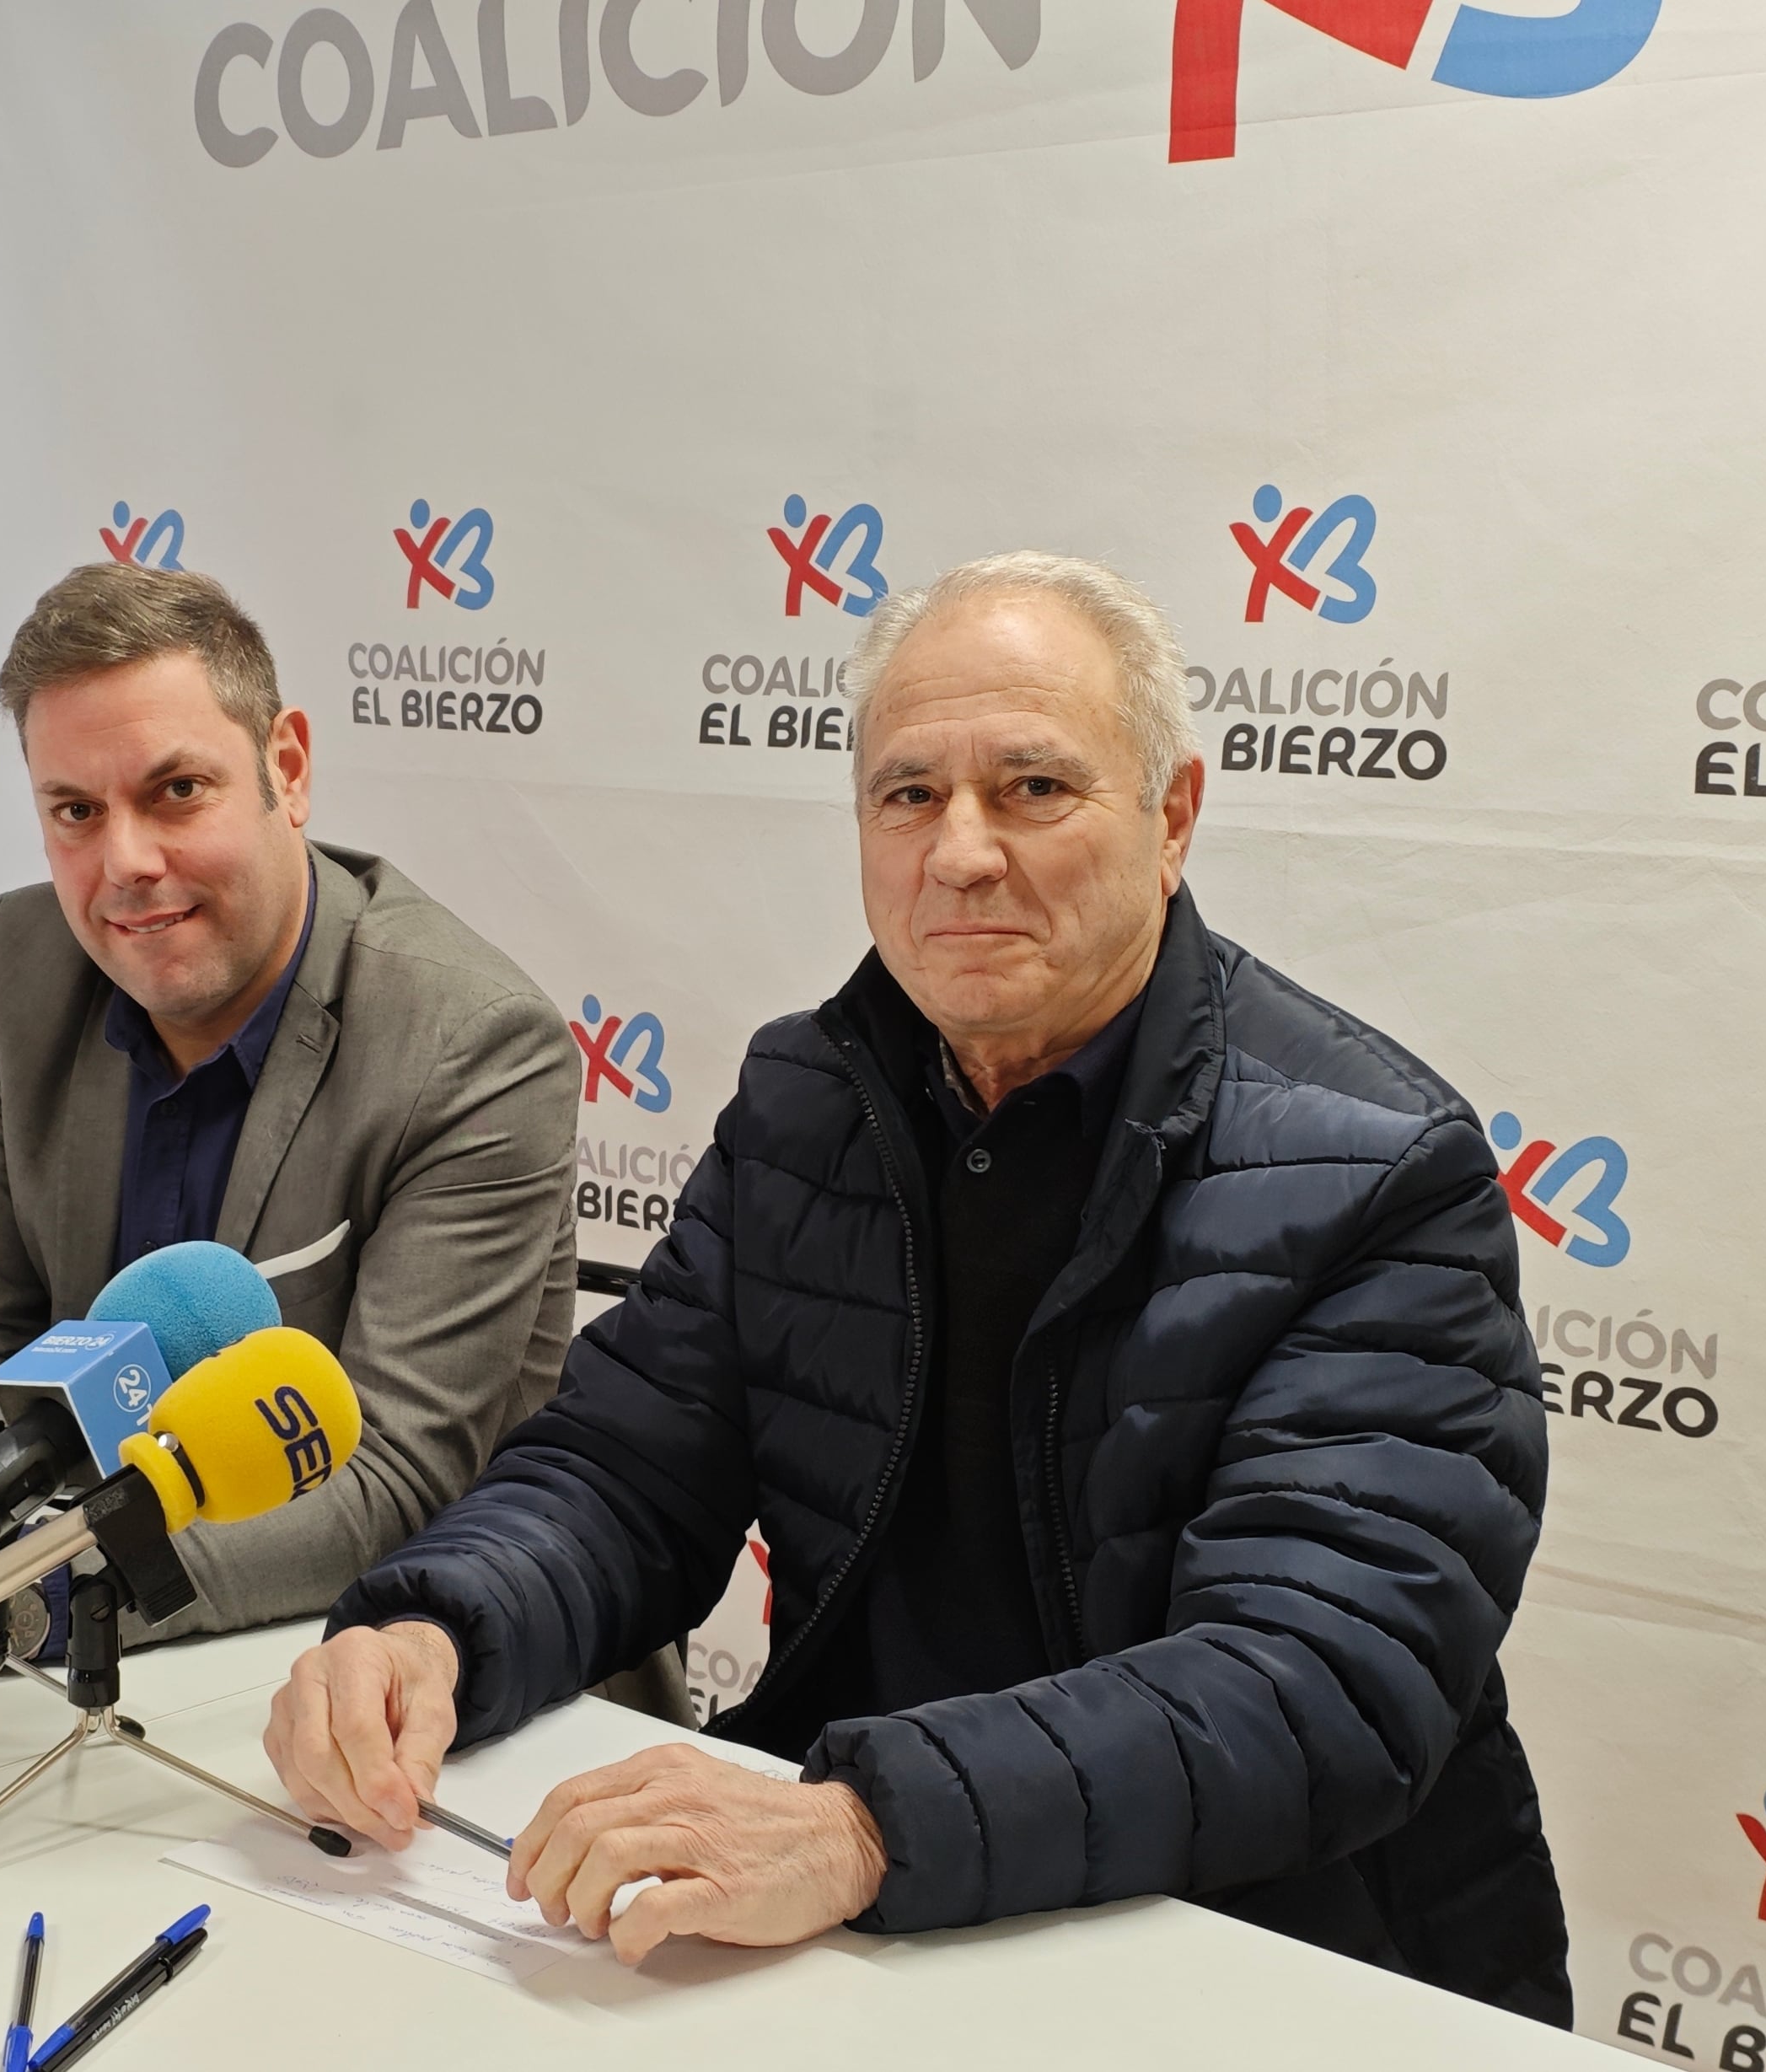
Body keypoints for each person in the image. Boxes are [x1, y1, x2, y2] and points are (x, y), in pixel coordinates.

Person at [262, 551, 1571, 2021]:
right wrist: (436, 1625)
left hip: (1258, 1953)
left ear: (1173, 816)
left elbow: (1314, 1677)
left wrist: (863, 1823)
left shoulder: (1376, 1167)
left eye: (1031, 788)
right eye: (908, 796)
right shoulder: (805, 1100)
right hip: (873, 1930)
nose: (958, 852)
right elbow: (627, 1469)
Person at [0, 563, 582, 1677]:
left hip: (388, 1672)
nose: (124, 863)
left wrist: (10, 1595)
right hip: (94, 1655)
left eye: (176, 791)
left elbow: (388, 1483)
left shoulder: (469, 1041)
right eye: (75, 811)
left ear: (288, 768)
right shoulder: (22, 965)